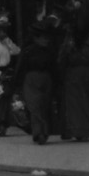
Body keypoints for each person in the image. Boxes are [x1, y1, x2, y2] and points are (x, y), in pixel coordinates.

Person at [20, 16, 61, 145]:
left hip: (46, 80)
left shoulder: (50, 52)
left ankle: (44, 132)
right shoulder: (27, 51)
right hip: (31, 80)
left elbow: (54, 69)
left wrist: (57, 83)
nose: (46, 40)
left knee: (44, 106)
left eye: (47, 38)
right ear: (35, 38)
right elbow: (20, 68)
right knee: (35, 107)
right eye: (43, 37)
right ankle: (39, 132)